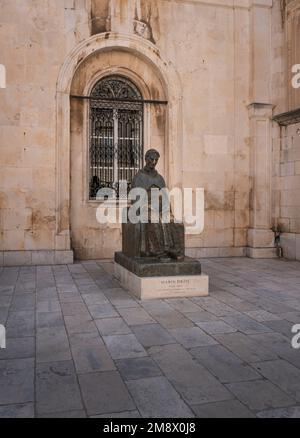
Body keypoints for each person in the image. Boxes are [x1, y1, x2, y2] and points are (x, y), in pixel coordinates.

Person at [131, 149, 184, 261]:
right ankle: (159, 252)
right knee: (154, 219)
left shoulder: (159, 178)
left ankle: (174, 250)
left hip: (161, 207)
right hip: (146, 208)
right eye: (151, 159)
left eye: (156, 160)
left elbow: (165, 196)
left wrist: (167, 210)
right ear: (145, 159)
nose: (154, 162)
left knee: (174, 222)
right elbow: (136, 199)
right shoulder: (139, 177)